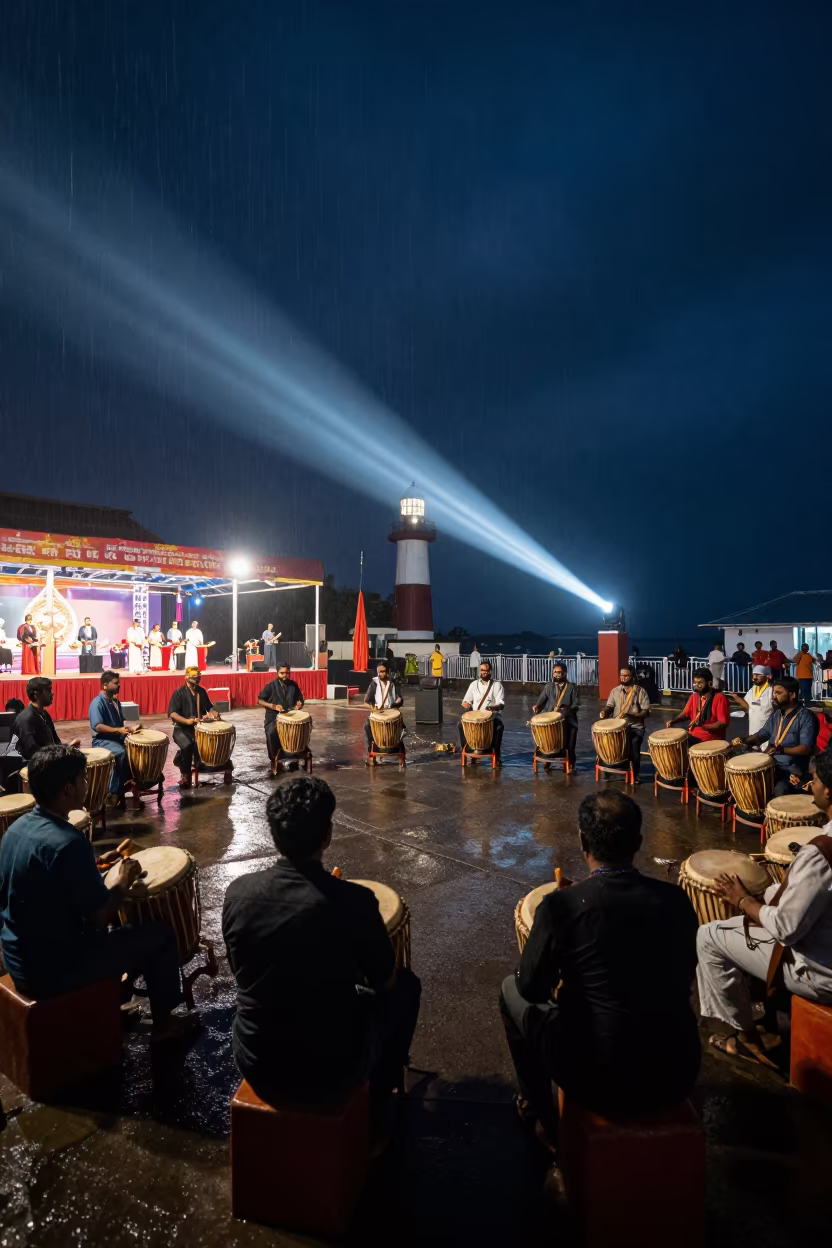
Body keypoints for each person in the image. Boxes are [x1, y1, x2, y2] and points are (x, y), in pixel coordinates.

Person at [500, 791, 699, 1144]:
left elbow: (531, 989)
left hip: (599, 1079)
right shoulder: (677, 900)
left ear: (582, 841)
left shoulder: (562, 907)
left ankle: (541, 1116)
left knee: (509, 991)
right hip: (678, 1071)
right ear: (639, 841)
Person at [222, 776, 421, 1109]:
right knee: (406, 988)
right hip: (333, 1071)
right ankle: (380, 1107)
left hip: (257, 1061)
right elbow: (384, 982)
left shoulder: (238, 895)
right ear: (327, 835)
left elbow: (242, 971)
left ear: (275, 836)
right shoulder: (354, 902)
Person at [0, 744, 197, 1043]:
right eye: (83, 778)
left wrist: (93, 867)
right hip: (52, 970)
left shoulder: (16, 828)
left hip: (17, 956)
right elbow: (99, 916)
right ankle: (164, 1024)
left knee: (119, 932)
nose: (87, 784)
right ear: (68, 789)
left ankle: (109, 1006)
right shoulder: (68, 842)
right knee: (159, 936)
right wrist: (120, 882)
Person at [697, 749, 832, 1069]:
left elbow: (786, 927)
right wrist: (762, 888)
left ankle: (745, 1038)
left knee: (709, 936)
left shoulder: (820, 853)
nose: (811, 785)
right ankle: (764, 1010)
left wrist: (744, 900)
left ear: (828, 790)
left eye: (815, 780)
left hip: (821, 972)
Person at [733, 675, 818, 796]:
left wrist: (781, 749)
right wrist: (746, 740)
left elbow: (806, 748)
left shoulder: (806, 717)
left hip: (792, 770)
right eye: (773, 693)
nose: (774, 696)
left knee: (780, 789)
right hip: (773, 764)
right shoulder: (776, 714)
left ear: (792, 695)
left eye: (778, 693)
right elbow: (763, 734)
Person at [168, 666, 222, 787]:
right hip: (181, 729)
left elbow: (209, 707)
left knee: (207, 743)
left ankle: (196, 763)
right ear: (186, 677)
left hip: (198, 729)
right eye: (193, 676)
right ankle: (185, 774)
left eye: (198, 676)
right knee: (187, 745)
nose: (196, 678)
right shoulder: (179, 692)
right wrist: (187, 721)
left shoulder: (201, 691)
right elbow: (172, 713)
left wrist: (214, 712)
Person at [88, 670, 137, 801]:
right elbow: (97, 726)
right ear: (105, 685)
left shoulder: (116, 702)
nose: (119, 685)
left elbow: (118, 725)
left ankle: (131, 782)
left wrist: (129, 729)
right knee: (121, 753)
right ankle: (114, 792)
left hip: (116, 738)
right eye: (115, 683)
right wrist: (118, 731)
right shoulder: (97, 703)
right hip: (102, 741)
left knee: (136, 747)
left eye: (119, 683)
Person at [599, 665, 650, 782]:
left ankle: (635, 774)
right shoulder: (615, 691)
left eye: (626, 676)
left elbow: (646, 712)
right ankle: (607, 768)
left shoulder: (640, 691)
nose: (624, 678)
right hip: (617, 726)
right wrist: (604, 712)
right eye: (622, 676)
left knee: (634, 744)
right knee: (604, 742)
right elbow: (609, 706)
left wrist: (635, 716)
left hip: (635, 727)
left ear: (632, 676)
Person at [12, 677, 81, 761]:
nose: (52, 693)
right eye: (48, 690)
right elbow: (32, 753)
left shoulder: (45, 715)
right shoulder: (25, 720)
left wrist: (67, 748)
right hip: (34, 769)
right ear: (36, 694)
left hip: (47, 763)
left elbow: (55, 743)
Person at [531, 660, 579, 769]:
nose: (556, 674)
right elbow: (542, 700)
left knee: (570, 740)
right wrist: (537, 706)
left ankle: (570, 762)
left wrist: (569, 709)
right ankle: (546, 756)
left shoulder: (572, 687)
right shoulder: (549, 686)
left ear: (565, 673)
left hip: (566, 718)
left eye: (559, 672)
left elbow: (576, 703)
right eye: (555, 672)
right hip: (550, 718)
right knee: (542, 735)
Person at [258, 663, 305, 766]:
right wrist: (273, 706)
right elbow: (260, 700)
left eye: (287, 673)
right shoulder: (270, 686)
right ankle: (274, 758)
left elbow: (300, 698)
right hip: (273, 717)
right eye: (282, 673)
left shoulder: (293, 685)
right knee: (271, 733)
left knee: (301, 731)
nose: (285, 675)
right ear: (277, 673)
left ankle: (296, 754)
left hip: (290, 716)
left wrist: (299, 703)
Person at [666, 667, 731, 742]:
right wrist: (673, 721)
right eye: (695, 682)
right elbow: (686, 714)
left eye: (700, 683)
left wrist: (704, 727)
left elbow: (723, 723)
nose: (697, 685)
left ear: (709, 683)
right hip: (693, 735)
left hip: (711, 739)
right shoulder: (694, 696)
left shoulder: (719, 697)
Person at [460, 659, 506, 762]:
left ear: (490, 671)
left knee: (499, 727)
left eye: (485, 670)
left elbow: (501, 704)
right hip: (475, 718)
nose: (483, 672)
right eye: (481, 670)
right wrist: (466, 704)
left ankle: (497, 755)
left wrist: (493, 708)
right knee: (460, 725)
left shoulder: (497, 685)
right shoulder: (474, 684)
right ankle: (468, 748)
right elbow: (466, 700)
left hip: (491, 717)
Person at [363, 661, 403, 756]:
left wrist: (397, 702)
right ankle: (371, 747)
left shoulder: (393, 683)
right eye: (378, 672)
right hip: (378, 711)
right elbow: (366, 701)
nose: (380, 674)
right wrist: (373, 708)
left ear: (387, 671)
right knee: (367, 725)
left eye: (382, 671)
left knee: (402, 727)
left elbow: (400, 698)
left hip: (391, 711)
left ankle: (395, 746)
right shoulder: (374, 683)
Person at [728, 665, 774, 735]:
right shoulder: (752, 690)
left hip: (767, 732)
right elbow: (747, 706)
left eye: (758, 675)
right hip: (753, 732)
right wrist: (736, 697)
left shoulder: (771, 691)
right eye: (753, 675)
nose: (755, 677)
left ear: (767, 676)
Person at [791, 642, 815, 706]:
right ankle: (802, 703)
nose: (807, 649)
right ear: (802, 648)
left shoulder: (808, 655)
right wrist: (800, 653)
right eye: (806, 648)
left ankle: (808, 701)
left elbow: (814, 661)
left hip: (809, 676)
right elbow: (794, 660)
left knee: (808, 690)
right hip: (802, 676)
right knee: (803, 690)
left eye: (807, 648)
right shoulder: (800, 654)